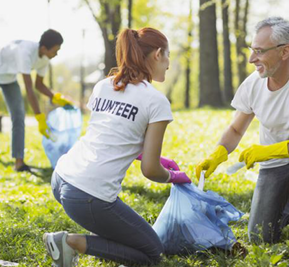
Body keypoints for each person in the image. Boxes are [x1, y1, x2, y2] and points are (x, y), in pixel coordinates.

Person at [43, 27, 192, 267]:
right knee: (151, 251)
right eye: (167, 55)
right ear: (157, 54)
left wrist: (149, 156)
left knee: (131, 237)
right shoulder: (156, 101)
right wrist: (173, 176)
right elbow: (150, 171)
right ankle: (70, 243)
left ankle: (75, 244)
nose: (168, 63)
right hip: (87, 195)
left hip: (61, 178)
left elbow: (112, 134)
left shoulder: (105, 85)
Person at [196, 17, 289, 247]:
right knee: (259, 237)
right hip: (276, 164)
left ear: (285, 52)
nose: (252, 59)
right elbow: (235, 128)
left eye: (260, 51)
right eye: (252, 50)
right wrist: (218, 154)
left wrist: (272, 150)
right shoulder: (253, 84)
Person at [0, 29, 73, 172]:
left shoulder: (45, 59)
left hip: (8, 79)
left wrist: (56, 97)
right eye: (55, 50)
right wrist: (40, 117)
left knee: (18, 115)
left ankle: (19, 163)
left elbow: (38, 85)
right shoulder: (25, 52)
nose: (56, 54)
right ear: (44, 48)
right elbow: (29, 88)